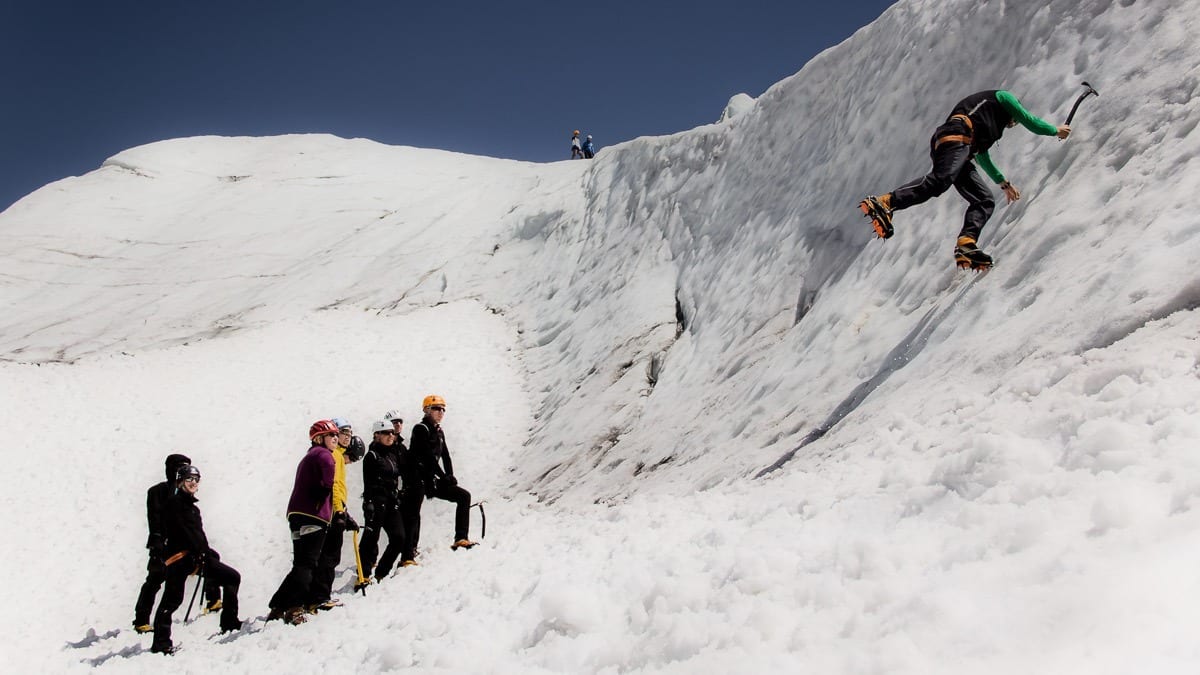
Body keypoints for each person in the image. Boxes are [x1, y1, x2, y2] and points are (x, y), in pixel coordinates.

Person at [859, 89, 1071, 269]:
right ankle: (885, 201)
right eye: (1013, 120)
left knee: (984, 200)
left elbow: (982, 157)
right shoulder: (1003, 97)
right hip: (957, 134)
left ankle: (966, 243)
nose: (1012, 123)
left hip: (962, 145)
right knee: (941, 180)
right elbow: (1030, 121)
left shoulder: (990, 125)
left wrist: (1003, 184)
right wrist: (1055, 131)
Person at [150, 464, 242, 655]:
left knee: (232, 577)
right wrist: (199, 551)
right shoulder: (175, 504)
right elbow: (182, 532)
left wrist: (206, 553)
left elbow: (197, 535)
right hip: (180, 558)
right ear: (181, 481)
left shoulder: (191, 507)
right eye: (189, 479)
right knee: (172, 600)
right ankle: (160, 643)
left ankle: (229, 622)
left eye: (196, 479)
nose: (193, 483)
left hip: (196, 557)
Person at [132, 453, 222, 633]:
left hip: (186, 544)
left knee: (211, 558)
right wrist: (156, 544)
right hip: (165, 544)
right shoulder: (157, 492)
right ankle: (141, 619)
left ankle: (214, 599)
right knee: (155, 577)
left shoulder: (184, 491)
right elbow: (154, 519)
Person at [268, 420, 338, 625]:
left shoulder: (307, 457)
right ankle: (294, 607)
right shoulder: (325, 455)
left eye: (336, 434)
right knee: (308, 563)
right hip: (314, 515)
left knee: (300, 564)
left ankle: (279, 604)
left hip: (296, 514)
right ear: (319, 438)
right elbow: (327, 483)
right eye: (330, 435)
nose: (335, 438)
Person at [410, 395, 476, 551]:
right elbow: (427, 457)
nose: (441, 412)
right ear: (427, 410)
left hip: (431, 478)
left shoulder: (439, 431)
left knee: (463, 496)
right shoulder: (421, 429)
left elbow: (445, 456)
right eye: (436, 409)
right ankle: (409, 552)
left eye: (443, 409)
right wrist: (444, 476)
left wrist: (450, 475)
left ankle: (461, 537)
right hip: (418, 479)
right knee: (413, 513)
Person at [310, 418, 362, 610]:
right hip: (330, 512)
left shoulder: (338, 455)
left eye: (349, 434)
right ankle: (319, 596)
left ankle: (319, 595)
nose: (347, 438)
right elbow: (333, 485)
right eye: (343, 433)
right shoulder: (333, 456)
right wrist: (339, 511)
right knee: (329, 556)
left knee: (328, 556)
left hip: (334, 509)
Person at [359, 419, 410, 581]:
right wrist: (368, 503)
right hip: (376, 501)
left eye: (392, 433)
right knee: (370, 538)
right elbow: (367, 483)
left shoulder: (393, 454)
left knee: (399, 537)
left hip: (391, 501)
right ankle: (364, 574)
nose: (390, 436)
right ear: (377, 435)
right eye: (386, 433)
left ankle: (382, 572)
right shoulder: (372, 456)